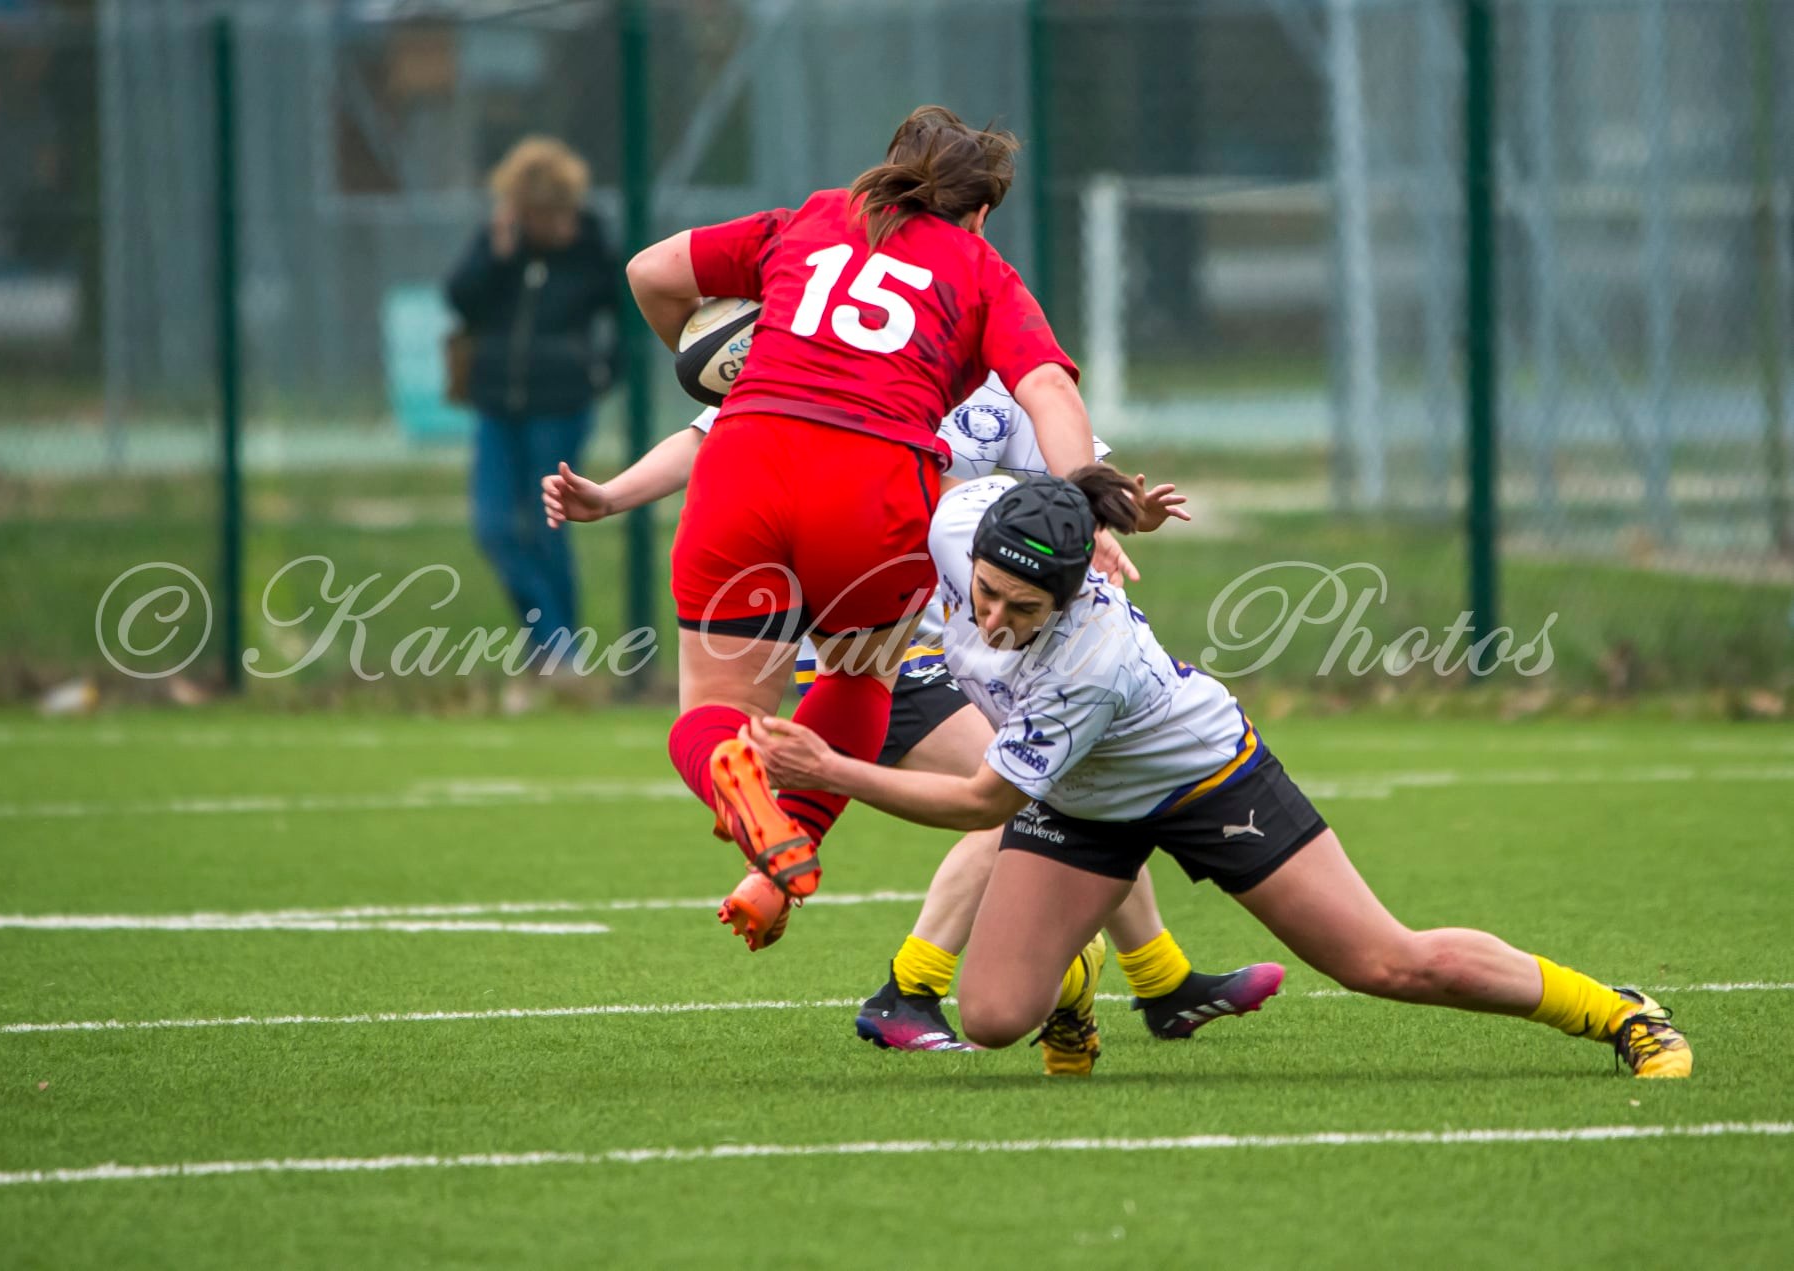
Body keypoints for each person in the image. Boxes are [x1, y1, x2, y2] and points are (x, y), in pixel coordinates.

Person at [748, 469, 1695, 1078]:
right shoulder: (963, 522)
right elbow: (1024, 488)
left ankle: (1618, 1013)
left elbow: (982, 801)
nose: (990, 620)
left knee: (1385, 962)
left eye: (1022, 607)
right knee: (994, 1017)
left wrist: (830, 768)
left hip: (1203, 780)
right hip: (1085, 802)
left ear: (1075, 592)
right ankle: (1074, 976)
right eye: (984, 593)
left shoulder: (1092, 658)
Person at [543, 378, 1279, 1068]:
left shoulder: (1001, 381)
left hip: (972, 653)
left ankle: (1153, 981)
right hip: (872, 653)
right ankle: (912, 987)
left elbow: (1072, 477)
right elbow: (710, 437)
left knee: (1074, 793)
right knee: (1024, 798)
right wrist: (608, 497)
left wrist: (1115, 518)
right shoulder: (839, 348)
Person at [624, 106, 1146, 949]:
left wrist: (712, 381)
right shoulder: (980, 269)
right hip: (872, 484)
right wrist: (1079, 496)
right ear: (979, 212)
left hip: (747, 456)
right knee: (862, 677)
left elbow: (651, 271)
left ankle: (740, 788)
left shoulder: (809, 217)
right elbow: (1047, 387)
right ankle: (787, 837)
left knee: (714, 707)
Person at [444, 136, 623, 703]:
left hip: (561, 407)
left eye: (564, 210)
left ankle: (559, 657)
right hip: (497, 404)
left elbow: (629, 316)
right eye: (547, 214)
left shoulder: (593, 247)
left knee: (549, 529)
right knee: (494, 527)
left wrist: (600, 375)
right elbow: (460, 299)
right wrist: (495, 257)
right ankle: (556, 649)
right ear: (523, 213)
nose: (560, 223)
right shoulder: (501, 246)